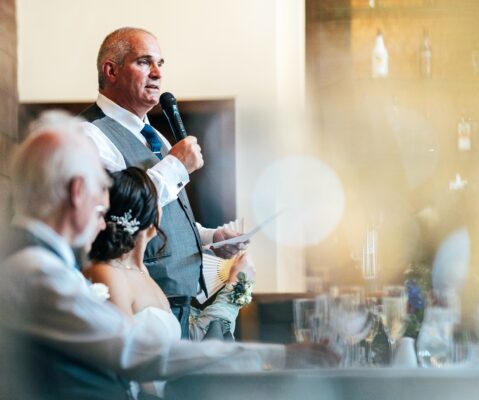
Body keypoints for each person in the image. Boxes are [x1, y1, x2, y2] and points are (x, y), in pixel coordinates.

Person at [0, 112, 337, 400]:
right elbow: (135, 351)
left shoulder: (39, 263)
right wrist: (279, 356)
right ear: (78, 191)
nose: (106, 210)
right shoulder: (36, 271)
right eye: (102, 187)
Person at [80, 26, 243, 337]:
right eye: (144, 62)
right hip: (137, 307)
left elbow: (162, 218)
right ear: (111, 71)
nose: (157, 73)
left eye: (160, 64)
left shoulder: (157, 138)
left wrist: (210, 238)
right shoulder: (89, 134)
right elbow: (119, 211)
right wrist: (176, 167)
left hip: (186, 307)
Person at [86, 166, 248, 344]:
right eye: (159, 201)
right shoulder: (108, 274)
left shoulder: (142, 272)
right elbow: (121, 352)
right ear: (152, 216)